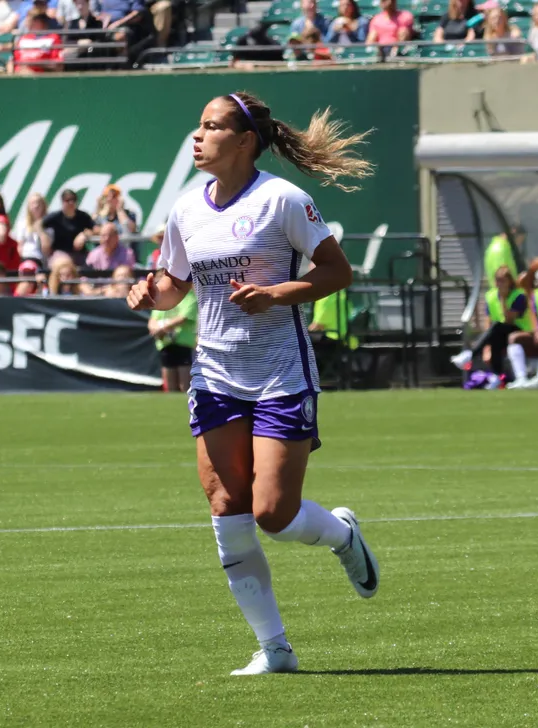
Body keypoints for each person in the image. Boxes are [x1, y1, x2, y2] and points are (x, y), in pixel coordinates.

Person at [125, 91, 378, 676]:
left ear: (243, 142)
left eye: (211, 127)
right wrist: (148, 293)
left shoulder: (282, 200)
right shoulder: (185, 209)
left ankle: (342, 535)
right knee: (226, 507)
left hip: (279, 373)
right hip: (214, 374)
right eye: (198, 125)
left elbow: (337, 271)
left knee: (273, 514)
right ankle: (275, 649)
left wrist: (275, 295)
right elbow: (173, 286)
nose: (197, 135)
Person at [450, 265, 531, 378]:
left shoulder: (519, 296)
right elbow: (488, 321)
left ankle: (470, 354)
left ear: (510, 282)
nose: (500, 284)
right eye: (498, 281)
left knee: (497, 327)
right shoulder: (491, 296)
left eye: (503, 281)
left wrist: (503, 299)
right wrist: (486, 344)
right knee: (495, 339)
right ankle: (498, 376)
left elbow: (509, 320)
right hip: (499, 332)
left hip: (518, 330)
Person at [149, 288, 197, 392]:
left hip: (184, 344)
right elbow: (153, 319)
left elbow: (184, 317)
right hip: (165, 344)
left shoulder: (190, 296)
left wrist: (162, 328)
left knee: (185, 386)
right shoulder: (162, 298)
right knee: (170, 386)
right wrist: (155, 329)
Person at [42, 188, 96, 267]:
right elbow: (38, 225)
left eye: (73, 200)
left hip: (80, 254)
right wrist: (43, 237)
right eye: (67, 200)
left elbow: (96, 229)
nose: (71, 203)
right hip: (61, 253)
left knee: (92, 263)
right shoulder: (55, 217)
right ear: (62, 202)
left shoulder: (83, 216)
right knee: (64, 264)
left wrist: (84, 234)